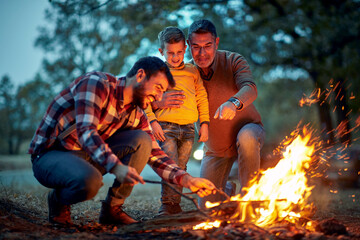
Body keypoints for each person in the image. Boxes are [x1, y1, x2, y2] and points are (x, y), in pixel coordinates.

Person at [28, 56, 215, 225]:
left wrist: (187, 180)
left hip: (86, 156)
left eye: (163, 92)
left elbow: (156, 154)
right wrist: (116, 166)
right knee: (89, 182)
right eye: (159, 88)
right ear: (140, 75)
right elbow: (86, 132)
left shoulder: (137, 114)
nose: (159, 97)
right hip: (51, 155)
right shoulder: (97, 84)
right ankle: (58, 201)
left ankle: (112, 209)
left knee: (143, 140)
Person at [151, 20, 265, 208]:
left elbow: (250, 88)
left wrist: (233, 103)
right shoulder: (186, 72)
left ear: (216, 43)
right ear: (188, 45)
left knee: (247, 138)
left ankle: (250, 200)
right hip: (215, 147)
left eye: (207, 46)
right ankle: (226, 190)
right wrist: (158, 103)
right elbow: (153, 99)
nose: (202, 53)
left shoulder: (233, 60)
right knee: (208, 207)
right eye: (196, 47)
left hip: (248, 129)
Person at [145, 27, 209, 215]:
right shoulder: (157, 71)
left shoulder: (192, 71)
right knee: (170, 164)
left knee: (181, 166)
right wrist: (153, 122)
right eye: (170, 53)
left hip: (189, 129)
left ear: (186, 48)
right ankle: (167, 204)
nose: (175, 57)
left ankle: (175, 204)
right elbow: (146, 98)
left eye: (179, 52)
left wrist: (204, 123)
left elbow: (201, 97)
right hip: (165, 127)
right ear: (161, 52)